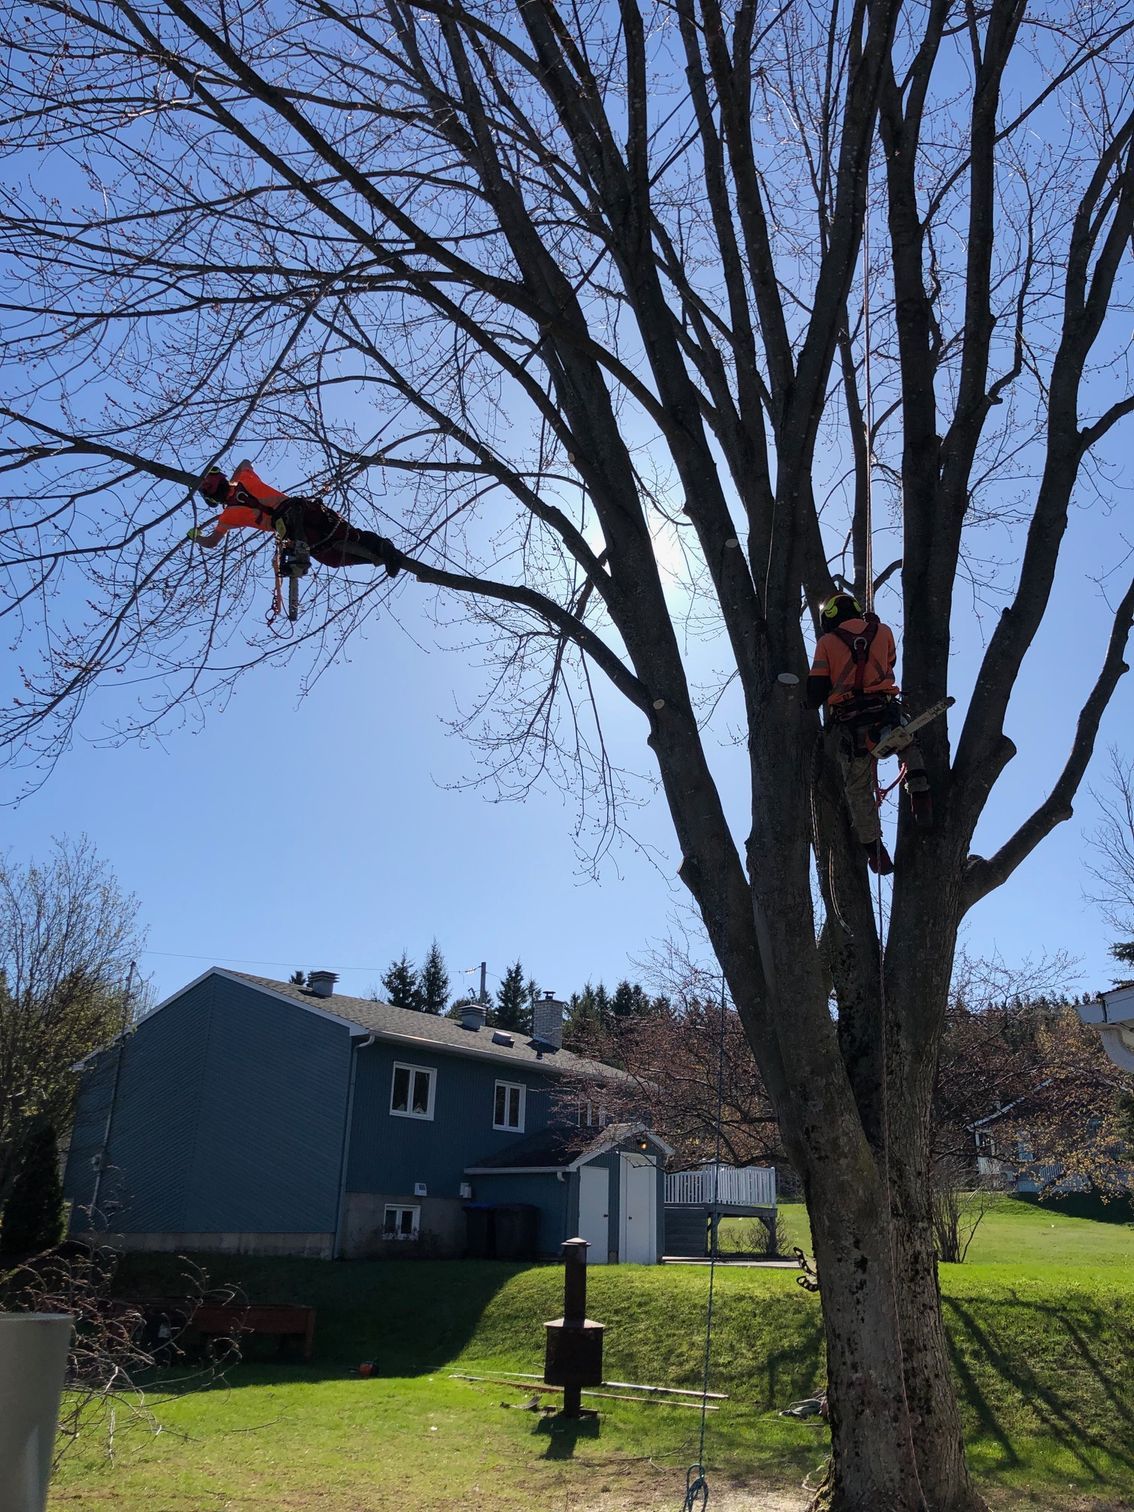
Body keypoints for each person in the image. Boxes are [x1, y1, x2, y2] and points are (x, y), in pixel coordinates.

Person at [807, 591, 931, 875]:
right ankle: (920, 791)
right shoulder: (882, 630)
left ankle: (874, 851)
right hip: (884, 712)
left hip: (852, 725)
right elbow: (891, 661)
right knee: (908, 744)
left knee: (858, 790)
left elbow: (816, 691)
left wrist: (809, 700)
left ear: (829, 618)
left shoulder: (826, 643)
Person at [188, 460, 402, 576]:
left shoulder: (242, 482)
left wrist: (195, 536)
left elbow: (245, 462)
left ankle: (383, 547)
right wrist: (196, 537)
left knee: (342, 534)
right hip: (288, 527)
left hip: (297, 510)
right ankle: (380, 557)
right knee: (331, 558)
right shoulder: (228, 514)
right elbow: (212, 542)